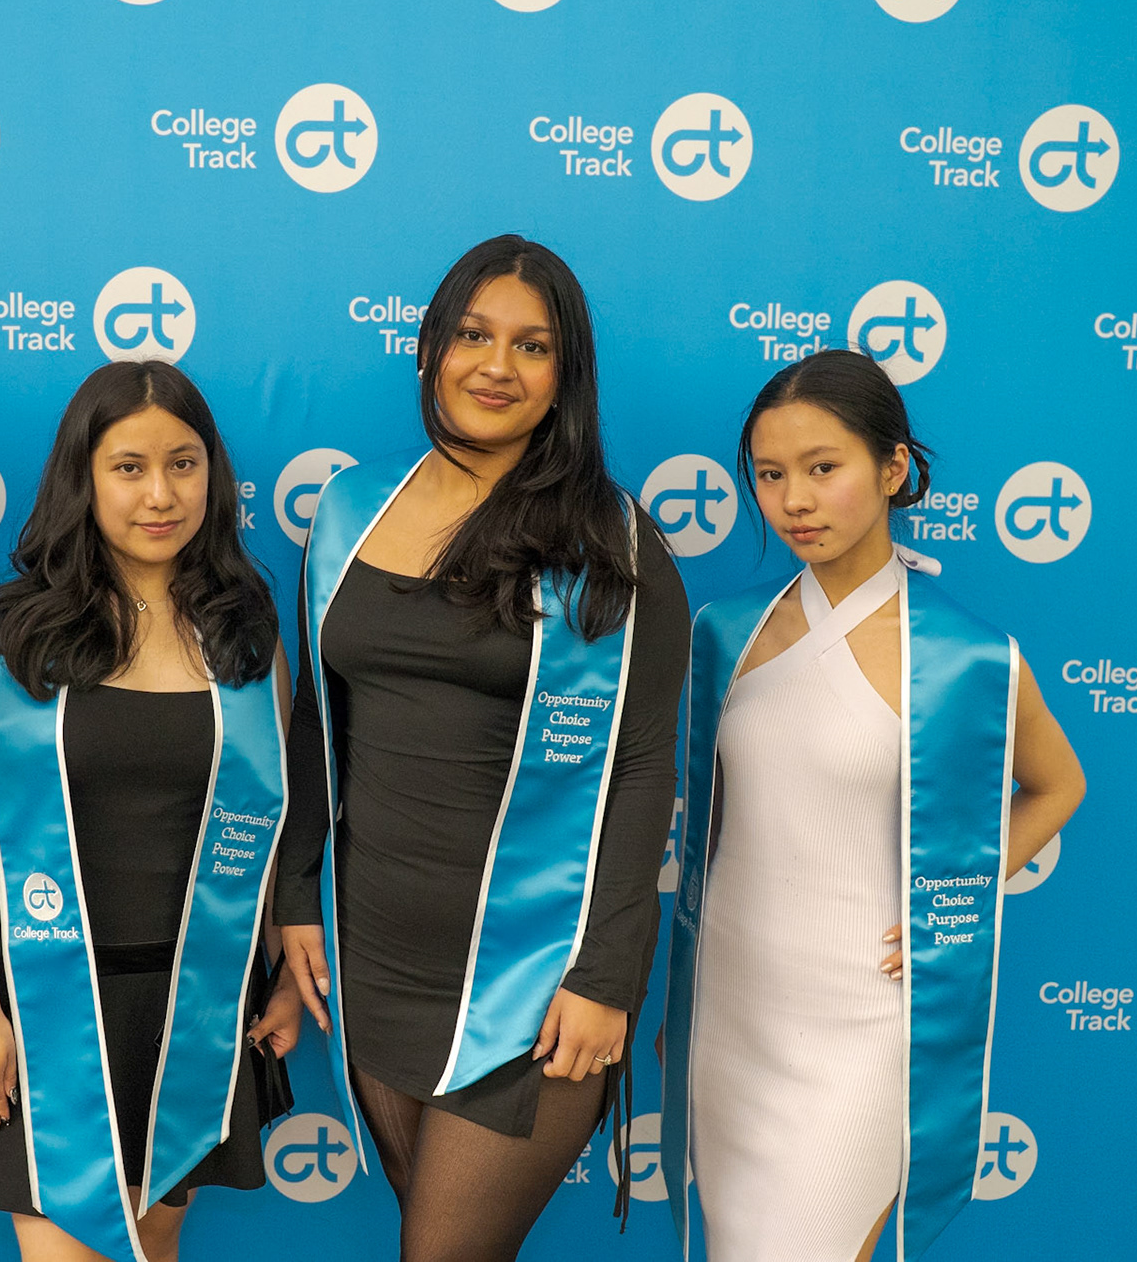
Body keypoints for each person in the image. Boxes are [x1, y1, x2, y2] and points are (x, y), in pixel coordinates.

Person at [274, 234, 691, 1262]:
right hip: (377, 956)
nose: (496, 366)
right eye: (473, 335)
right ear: (430, 348)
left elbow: (643, 769)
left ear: (565, 375)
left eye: (532, 346)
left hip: (534, 976)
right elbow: (318, 720)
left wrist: (606, 975)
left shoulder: (613, 544)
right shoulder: (351, 510)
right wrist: (296, 895)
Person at [658, 349, 1087, 1262]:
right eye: (771, 475)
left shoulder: (969, 658)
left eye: (824, 467)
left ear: (893, 468)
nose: (795, 501)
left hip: (866, 1018)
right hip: (730, 1008)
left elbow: (1059, 785)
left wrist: (954, 892)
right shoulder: (723, 631)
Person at [0, 360, 301, 1262]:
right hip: (46, 1005)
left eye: (183, 464)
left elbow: (273, 820)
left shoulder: (246, 635)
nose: (160, 494)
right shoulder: (8, 632)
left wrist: (284, 972)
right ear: (82, 480)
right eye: (129, 467)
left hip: (197, 1009)